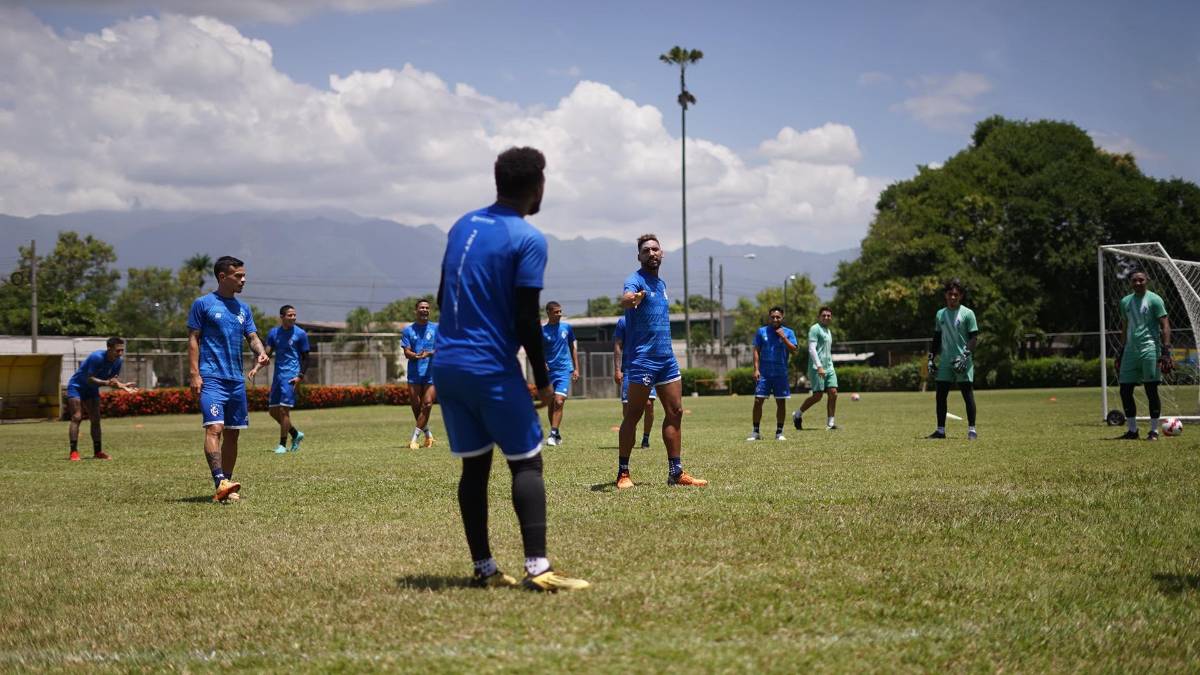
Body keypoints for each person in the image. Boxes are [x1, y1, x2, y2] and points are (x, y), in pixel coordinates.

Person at [433, 146, 589, 592]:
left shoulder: (463, 224)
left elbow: (445, 299)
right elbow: (526, 317)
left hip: (448, 364)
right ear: (537, 185)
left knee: (475, 468)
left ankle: (484, 569)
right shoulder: (528, 238)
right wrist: (542, 378)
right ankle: (538, 569)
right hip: (489, 366)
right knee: (526, 463)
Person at [616, 234, 708, 489]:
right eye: (646, 251)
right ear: (639, 256)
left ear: (662, 253)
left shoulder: (662, 284)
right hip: (643, 360)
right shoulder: (635, 280)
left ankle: (676, 473)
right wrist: (631, 299)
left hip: (666, 358)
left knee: (675, 412)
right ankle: (623, 473)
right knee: (634, 414)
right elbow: (625, 298)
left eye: (655, 249)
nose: (651, 253)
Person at [188, 255, 269, 503]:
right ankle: (219, 481)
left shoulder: (243, 309)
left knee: (233, 433)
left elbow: (252, 337)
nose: (243, 280)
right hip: (212, 377)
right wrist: (194, 373)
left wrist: (261, 351)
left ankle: (226, 485)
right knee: (215, 428)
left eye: (244, 275)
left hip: (236, 380)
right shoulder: (203, 304)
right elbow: (193, 339)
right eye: (238, 276)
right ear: (223, 277)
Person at [1115, 270, 1171, 440]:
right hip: (1131, 351)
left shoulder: (1155, 299)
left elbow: (1165, 325)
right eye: (1134, 280)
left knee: (1151, 389)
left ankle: (1153, 431)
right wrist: (1121, 350)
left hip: (1150, 349)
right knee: (1125, 390)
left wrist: (1166, 350)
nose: (1138, 283)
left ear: (1147, 280)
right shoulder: (1125, 302)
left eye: (1141, 280)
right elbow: (1124, 328)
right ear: (1130, 283)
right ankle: (1132, 431)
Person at [247, 305, 310, 454]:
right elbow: (266, 355)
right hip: (278, 376)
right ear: (282, 317)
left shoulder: (300, 334)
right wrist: (256, 368)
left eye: (294, 315)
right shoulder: (274, 333)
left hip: (291, 375)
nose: (293, 317)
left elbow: (307, 358)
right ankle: (295, 434)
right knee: (273, 411)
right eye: (290, 315)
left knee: (283, 410)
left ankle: (282, 444)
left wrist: (300, 376)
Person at [65, 336, 137, 461]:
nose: (120, 353)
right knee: (77, 417)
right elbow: (90, 378)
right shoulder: (96, 357)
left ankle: (98, 452)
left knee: (96, 419)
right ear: (109, 348)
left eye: (122, 350)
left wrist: (122, 386)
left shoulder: (118, 361)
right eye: (117, 350)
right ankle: (74, 452)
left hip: (92, 389)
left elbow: (112, 380)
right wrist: (108, 383)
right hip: (77, 386)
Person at [927, 279, 979, 440]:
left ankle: (972, 430)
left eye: (956, 294)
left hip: (963, 360)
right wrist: (931, 358)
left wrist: (965, 354)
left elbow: (974, 337)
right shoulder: (940, 314)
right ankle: (940, 431)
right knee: (940, 395)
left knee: (967, 394)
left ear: (961, 296)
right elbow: (937, 337)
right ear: (946, 295)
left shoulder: (968, 313)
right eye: (950, 294)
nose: (953, 297)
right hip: (945, 362)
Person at [748, 306, 799, 441]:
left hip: (780, 373)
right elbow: (756, 351)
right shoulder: (761, 331)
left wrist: (784, 337)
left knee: (781, 403)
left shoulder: (789, 332)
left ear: (782, 318)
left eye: (778, 317)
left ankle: (779, 432)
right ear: (769, 317)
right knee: (758, 401)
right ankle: (755, 432)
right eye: (773, 317)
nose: (775, 319)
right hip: (764, 373)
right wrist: (756, 369)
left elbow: (794, 350)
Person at [793, 307, 838, 431]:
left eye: (829, 315)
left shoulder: (828, 331)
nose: (826, 317)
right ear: (819, 317)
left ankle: (830, 423)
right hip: (816, 367)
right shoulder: (815, 329)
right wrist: (819, 366)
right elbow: (812, 349)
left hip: (829, 367)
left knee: (833, 393)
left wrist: (828, 366)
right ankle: (797, 414)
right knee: (818, 396)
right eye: (824, 315)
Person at [401, 299, 438, 450]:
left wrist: (429, 353)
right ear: (416, 311)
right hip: (414, 375)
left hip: (432, 374)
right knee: (417, 407)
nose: (424, 310)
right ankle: (428, 436)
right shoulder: (408, 331)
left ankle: (414, 439)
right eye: (422, 307)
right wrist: (415, 356)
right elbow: (406, 351)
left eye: (427, 308)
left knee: (427, 404)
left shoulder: (437, 329)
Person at [613, 315, 655, 448]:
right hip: (629, 369)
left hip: (648, 367)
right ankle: (632, 436)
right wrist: (617, 370)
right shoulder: (623, 321)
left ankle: (646, 438)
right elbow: (618, 345)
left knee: (648, 404)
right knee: (627, 407)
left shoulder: (650, 318)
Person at [541, 301, 579, 446]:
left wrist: (576, 368)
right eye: (556, 312)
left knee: (559, 401)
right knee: (551, 404)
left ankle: (552, 433)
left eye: (560, 311)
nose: (559, 314)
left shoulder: (567, 328)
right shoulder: (542, 331)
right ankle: (555, 433)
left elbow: (573, 348)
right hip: (549, 372)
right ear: (549, 313)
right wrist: (542, 362)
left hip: (564, 370)